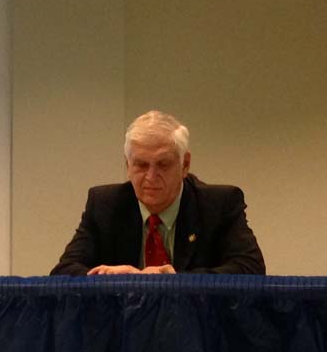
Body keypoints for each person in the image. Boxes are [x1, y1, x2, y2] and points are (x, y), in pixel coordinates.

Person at [50, 110, 265, 276]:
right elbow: (64, 271)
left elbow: (250, 269)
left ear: (185, 164)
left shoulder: (219, 204)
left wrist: (175, 280)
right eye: (141, 165)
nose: (151, 177)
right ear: (127, 165)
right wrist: (115, 280)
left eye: (163, 165)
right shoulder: (105, 204)